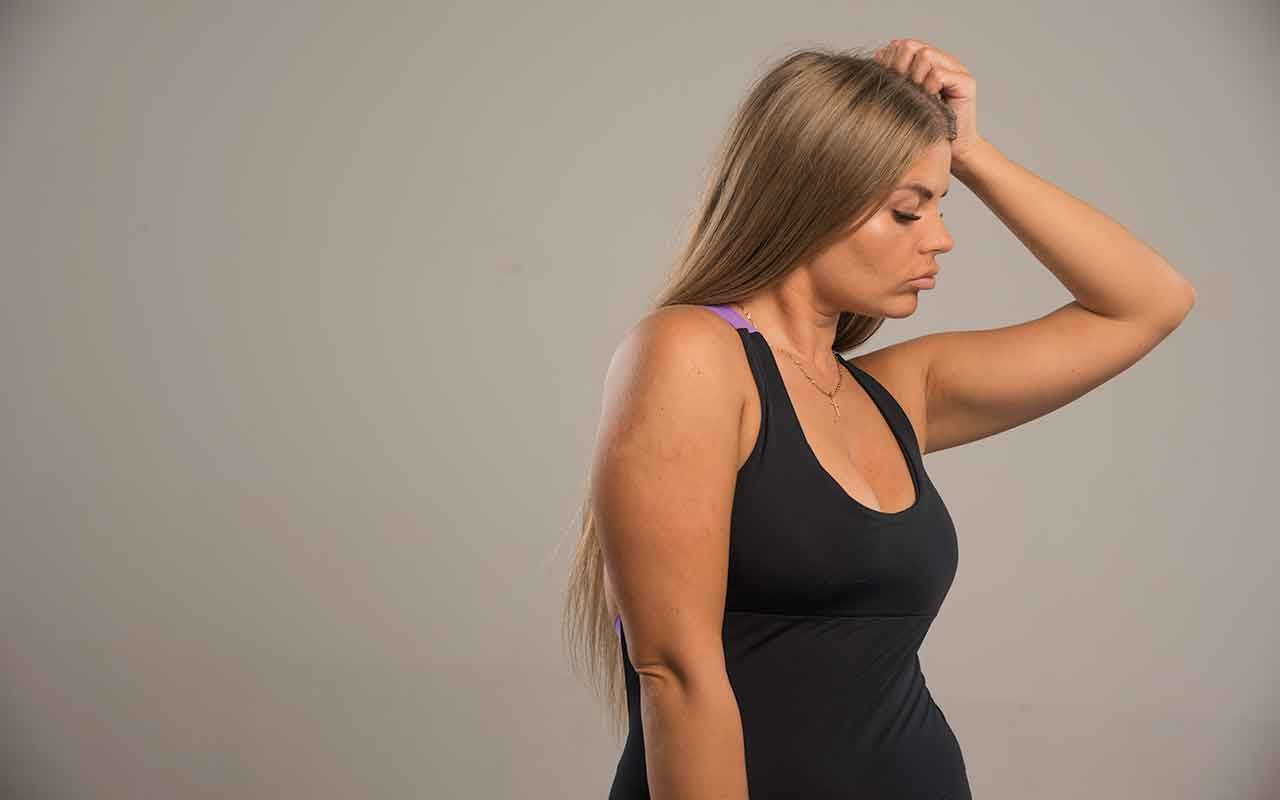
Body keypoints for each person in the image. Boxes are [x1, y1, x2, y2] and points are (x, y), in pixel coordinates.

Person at [561, 40, 1195, 799]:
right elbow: (676, 676)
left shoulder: (896, 394)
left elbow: (1148, 302)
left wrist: (972, 151)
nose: (941, 237)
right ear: (809, 197)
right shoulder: (690, 354)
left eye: (939, 204)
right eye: (907, 209)